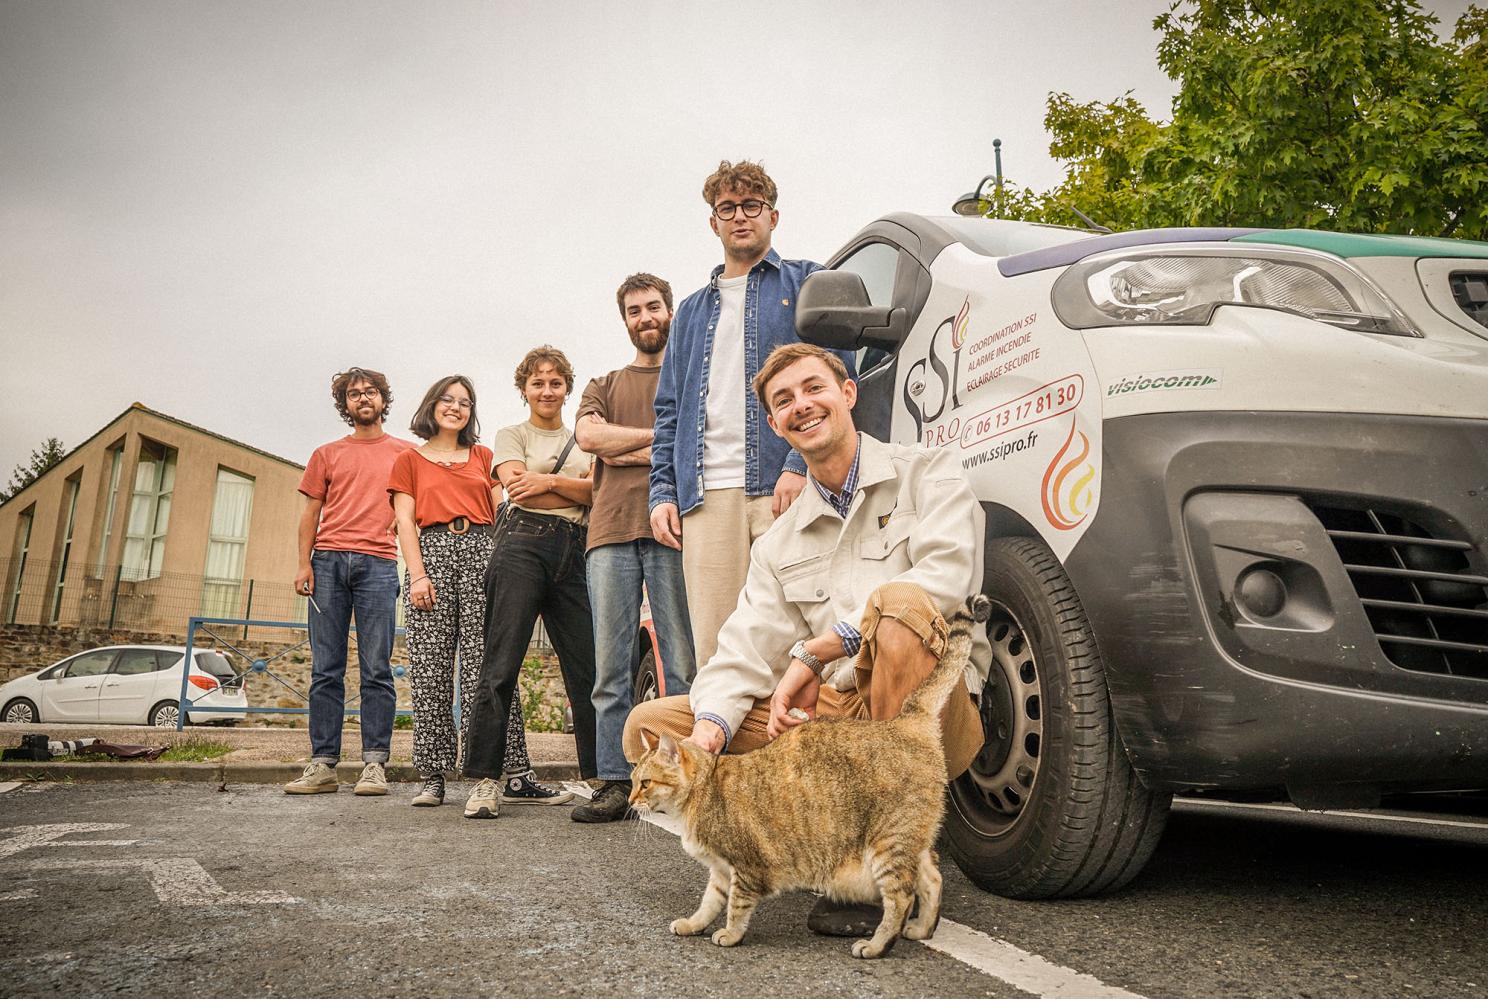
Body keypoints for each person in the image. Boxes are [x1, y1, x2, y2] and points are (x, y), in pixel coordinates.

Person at [624, 343, 991, 934]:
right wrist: (708, 733)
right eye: (783, 400)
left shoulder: (929, 470)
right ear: (774, 425)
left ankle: (875, 862)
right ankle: (793, 848)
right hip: (833, 719)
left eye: (814, 388)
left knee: (896, 611)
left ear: (848, 393)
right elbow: (742, 647)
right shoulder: (778, 541)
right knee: (651, 725)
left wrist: (827, 645)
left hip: (921, 714)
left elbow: (947, 576)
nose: (802, 405)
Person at [649, 159, 854, 669]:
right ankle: (727, 750)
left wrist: (797, 464)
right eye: (727, 208)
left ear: (773, 216)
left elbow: (839, 373)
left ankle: (806, 750)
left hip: (785, 488)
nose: (740, 216)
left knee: (808, 638)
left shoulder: (809, 282)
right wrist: (662, 493)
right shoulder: (691, 312)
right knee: (718, 651)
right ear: (713, 221)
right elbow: (669, 410)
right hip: (705, 496)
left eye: (752, 205)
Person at [389, 375, 570, 811]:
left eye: (465, 402)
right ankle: (433, 775)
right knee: (430, 670)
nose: (456, 407)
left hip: (482, 551)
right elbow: (404, 522)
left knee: (490, 668)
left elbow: (503, 508)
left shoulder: (484, 455)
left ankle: (514, 773)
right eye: (448, 399)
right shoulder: (408, 461)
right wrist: (417, 575)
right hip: (430, 555)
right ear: (432, 405)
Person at [570, 273, 696, 823]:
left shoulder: (690, 375)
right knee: (610, 669)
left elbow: (697, 438)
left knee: (683, 659)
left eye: (653, 307)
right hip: (610, 534)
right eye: (634, 311)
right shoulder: (603, 383)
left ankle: (691, 774)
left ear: (669, 311)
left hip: (674, 528)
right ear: (624, 320)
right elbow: (592, 441)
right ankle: (615, 781)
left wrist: (626, 446)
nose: (645, 317)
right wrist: (662, 439)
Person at [462, 346, 599, 819]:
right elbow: (514, 488)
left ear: (567, 388)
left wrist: (544, 483)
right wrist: (565, 487)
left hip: (576, 551)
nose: (547, 389)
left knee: (588, 670)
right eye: (538, 382)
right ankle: (485, 781)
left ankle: (599, 778)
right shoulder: (510, 434)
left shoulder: (584, 440)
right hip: (520, 546)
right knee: (500, 666)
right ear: (524, 389)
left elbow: (597, 493)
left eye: (556, 381)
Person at [286, 367, 411, 796]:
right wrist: (304, 565)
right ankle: (322, 764)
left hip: (378, 565)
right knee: (326, 669)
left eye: (370, 392)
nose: (363, 398)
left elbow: (419, 505)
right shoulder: (326, 454)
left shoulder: (405, 453)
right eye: (354, 394)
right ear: (345, 404)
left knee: (377, 668)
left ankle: (374, 765)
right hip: (328, 564)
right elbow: (309, 514)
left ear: (382, 400)